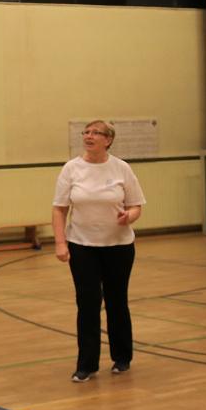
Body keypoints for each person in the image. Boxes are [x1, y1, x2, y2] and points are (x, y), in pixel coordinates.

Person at [52, 120, 145, 383]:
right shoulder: (72, 169)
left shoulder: (121, 168)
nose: (89, 136)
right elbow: (59, 209)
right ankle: (87, 364)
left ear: (108, 140)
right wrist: (61, 242)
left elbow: (136, 205)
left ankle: (122, 357)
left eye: (96, 133)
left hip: (119, 247)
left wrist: (130, 216)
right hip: (82, 246)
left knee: (117, 301)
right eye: (87, 132)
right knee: (88, 303)